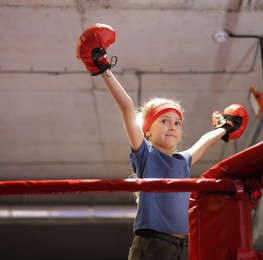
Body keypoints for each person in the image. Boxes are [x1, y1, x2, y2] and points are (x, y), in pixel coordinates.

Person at [76, 23, 249, 260]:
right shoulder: (146, 154)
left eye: (177, 123)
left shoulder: (182, 161)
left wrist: (225, 127)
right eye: (164, 121)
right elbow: (126, 107)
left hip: (185, 247)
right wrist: (101, 66)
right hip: (153, 243)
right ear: (147, 131)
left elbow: (204, 141)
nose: (172, 126)